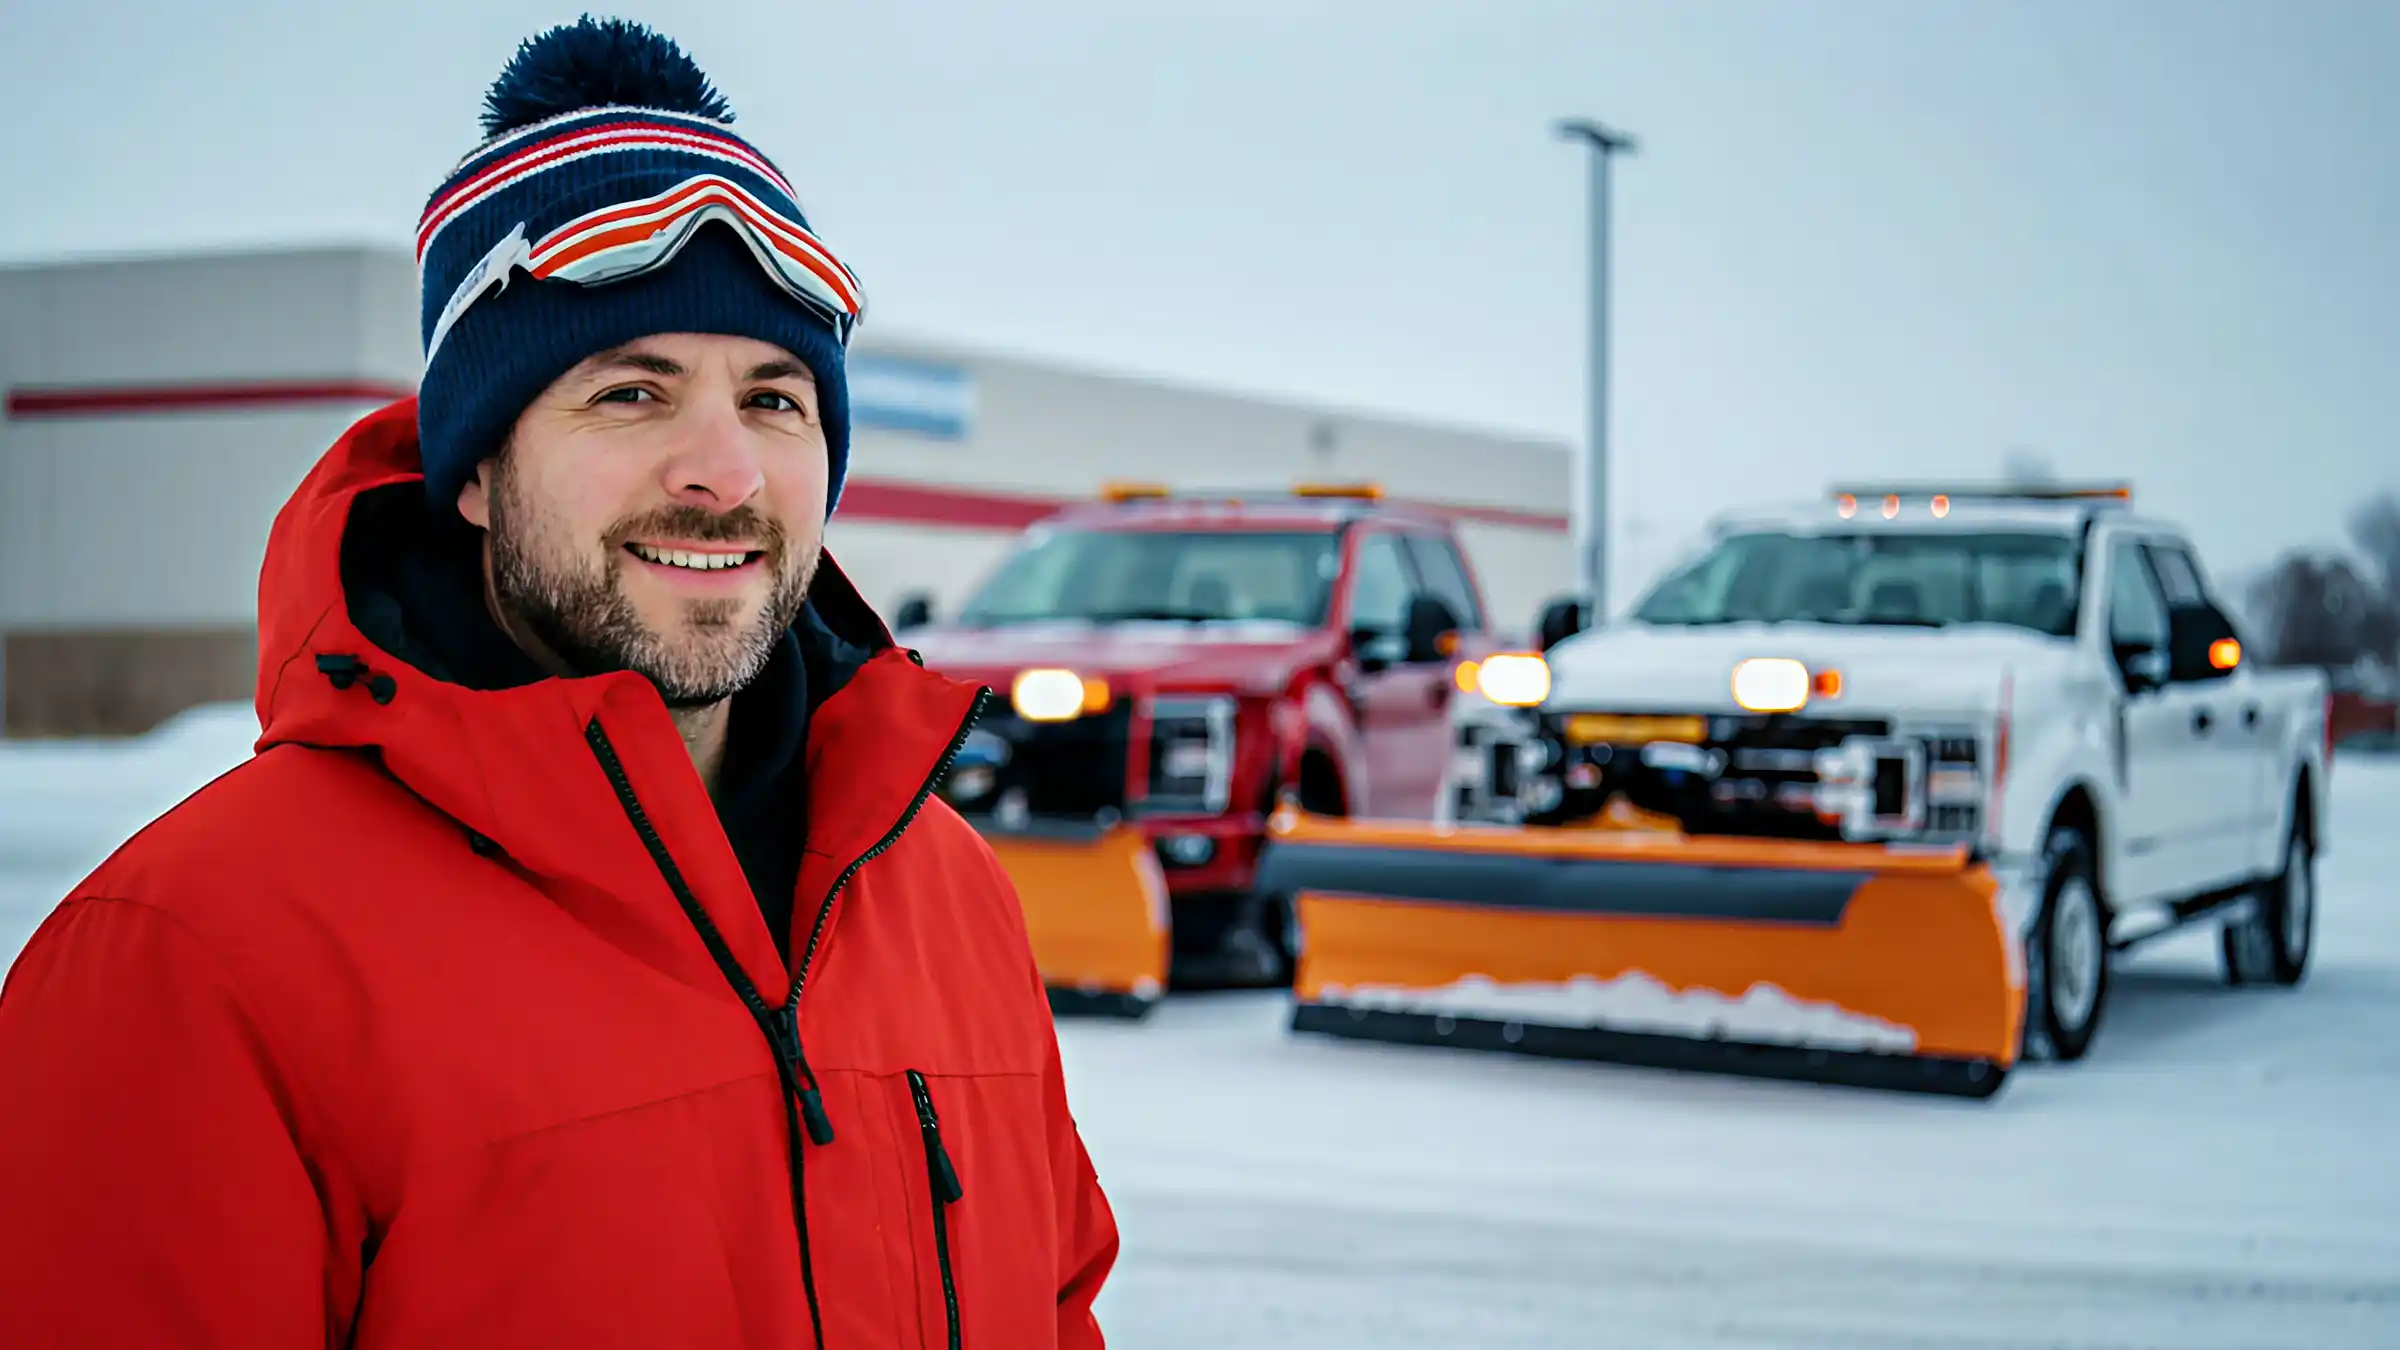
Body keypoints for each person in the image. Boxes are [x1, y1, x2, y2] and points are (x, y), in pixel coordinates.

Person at [0, 18, 1118, 1348]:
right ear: (472, 471)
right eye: (632, 394)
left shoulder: (948, 899)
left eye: (775, 399)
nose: (727, 473)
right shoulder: (193, 962)